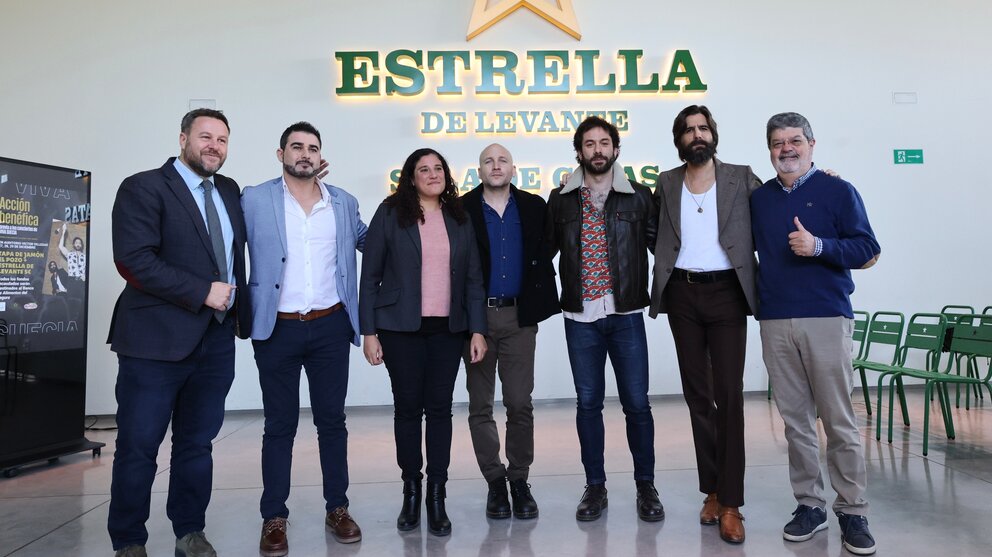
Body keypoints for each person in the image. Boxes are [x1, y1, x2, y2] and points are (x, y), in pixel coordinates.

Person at [107, 108, 251, 557]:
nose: (215, 146)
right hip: (154, 343)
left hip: (215, 341)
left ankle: (189, 531)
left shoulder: (228, 191)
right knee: (138, 446)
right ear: (183, 138)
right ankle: (129, 539)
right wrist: (201, 291)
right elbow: (133, 259)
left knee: (196, 445)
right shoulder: (143, 186)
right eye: (205, 137)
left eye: (223, 140)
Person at [751, 112, 881, 555]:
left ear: (811, 144)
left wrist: (820, 246)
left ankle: (853, 509)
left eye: (794, 141)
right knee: (796, 424)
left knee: (839, 420)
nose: (786, 149)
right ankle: (810, 504)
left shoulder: (837, 190)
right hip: (774, 320)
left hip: (826, 317)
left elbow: (868, 251)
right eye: (777, 143)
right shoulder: (759, 198)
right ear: (768, 149)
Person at [242, 122, 366, 556]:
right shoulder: (254, 198)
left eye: (313, 148)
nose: (305, 154)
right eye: (297, 147)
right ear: (281, 154)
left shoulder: (343, 202)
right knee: (279, 425)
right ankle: (274, 515)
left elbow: (374, 241)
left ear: (321, 156)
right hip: (277, 328)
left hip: (331, 324)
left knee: (333, 422)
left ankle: (338, 507)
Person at [359, 147, 488, 536]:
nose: (432, 174)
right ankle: (411, 491)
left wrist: (477, 328)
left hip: (447, 330)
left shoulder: (459, 216)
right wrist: (368, 331)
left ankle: (437, 494)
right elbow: (370, 276)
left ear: (447, 175)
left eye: (438, 168)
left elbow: (473, 278)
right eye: (423, 169)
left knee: (440, 410)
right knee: (407, 410)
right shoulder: (390, 213)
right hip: (399, 328)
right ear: (411, 177)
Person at [649, 105, 762, 543]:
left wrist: (818, 176)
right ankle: (712, 489)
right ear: (678, 139)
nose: (697, 135)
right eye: (688, 130)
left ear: (713, 134)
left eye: (703, 128)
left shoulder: (741, 176)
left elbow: (772, 208)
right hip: (682, 293)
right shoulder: (667, 182)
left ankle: (732, 502)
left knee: (729, 397)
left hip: (727, 294)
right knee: (698, 397)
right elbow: (653, 232)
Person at [546, 116, 663, 522]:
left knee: (637, 405)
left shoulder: (639, 196)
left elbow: (666, 242)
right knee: (588, 404)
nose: (597, 150)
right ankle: (595, 487)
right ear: (578, 151)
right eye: (589, 144)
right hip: (580, 318)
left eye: (604, 143)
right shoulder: (560, 199)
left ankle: (645, 486)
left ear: (615, 149)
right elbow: (541, 253)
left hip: (626, 313)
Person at [460, 143, 560, 520]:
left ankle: (519, 479)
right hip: (478, 322)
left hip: (520, 319)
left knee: (520, 403)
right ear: (479, 170)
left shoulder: (534, 206)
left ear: (513, 169)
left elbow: (547, 248)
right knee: (480, 406)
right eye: (488, 160)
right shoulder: (463, 209)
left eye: (502, 160)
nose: (495, 165)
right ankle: (494, 482)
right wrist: (472, 325)